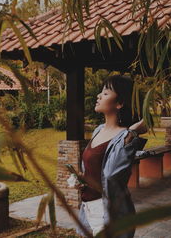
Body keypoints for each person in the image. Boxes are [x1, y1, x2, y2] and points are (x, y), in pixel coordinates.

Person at [73, 74, 148, 237]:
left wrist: (132, 134)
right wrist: (83, 181)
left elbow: (112, 173)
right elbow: (94, 170)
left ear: (120, 103)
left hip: (109, 213)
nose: (99, 96)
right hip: (87, 209)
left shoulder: (124, 137)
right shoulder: (98, 130)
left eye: (106, 93)